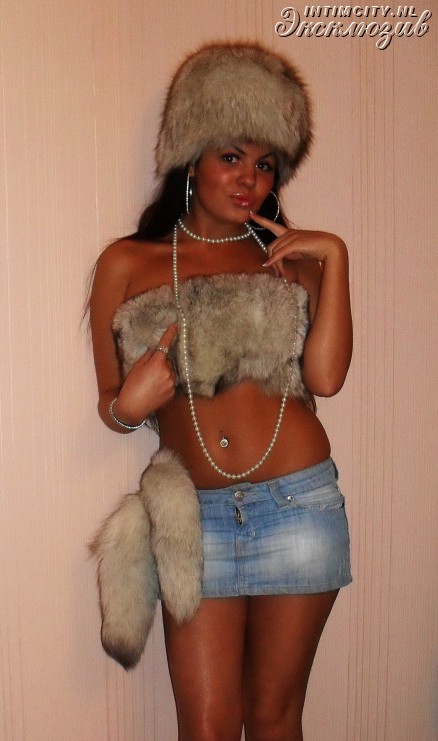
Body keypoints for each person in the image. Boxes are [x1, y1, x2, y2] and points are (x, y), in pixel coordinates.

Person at [89, 42, 353, 741]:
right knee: (204, 727)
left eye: (265, 164)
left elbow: (327, 379)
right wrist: (127, 407)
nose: (249, 179)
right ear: (192, 155)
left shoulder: (290, 262)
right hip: (192, 521)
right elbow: (111, 403)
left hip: (298, 507)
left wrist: (334, 257)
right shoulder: (127, 262)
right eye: (232, 156)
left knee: (273, 719)